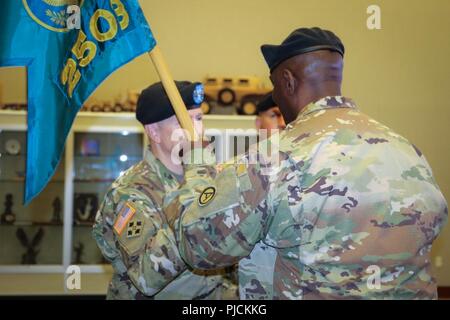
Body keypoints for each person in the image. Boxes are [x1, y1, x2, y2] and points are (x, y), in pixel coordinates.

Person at [165, 27, 448, 299]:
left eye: (275, 88)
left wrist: (198, 168)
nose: (275, 97)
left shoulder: (272, 159)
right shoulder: (406, 151)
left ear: (287, 81)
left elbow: (199, 246)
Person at [92, 81, 238, 300]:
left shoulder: (211, 178)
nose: (196, 131)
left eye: (198, 119)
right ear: (154, 132)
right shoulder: (130, 193)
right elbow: (146, 277)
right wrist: (195, 208)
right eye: (183, 122)